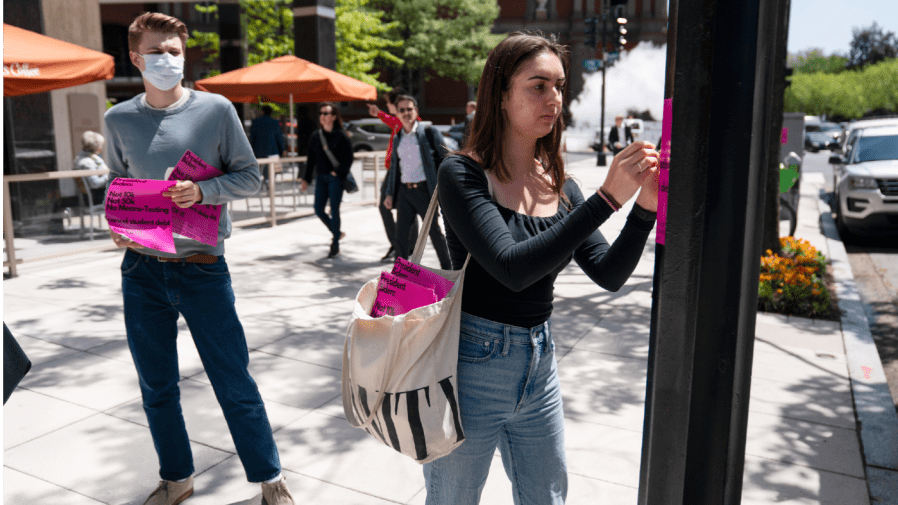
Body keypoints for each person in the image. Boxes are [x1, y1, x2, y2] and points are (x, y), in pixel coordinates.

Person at [429, 31, 659, 504]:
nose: (554, 99)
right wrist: (607, 199)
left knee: (547, 498)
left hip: (540, 363)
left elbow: (607, 273)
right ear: (501, 93)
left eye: (558, 85)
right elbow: (511, 269)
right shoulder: (463, 173)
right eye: (538, 85)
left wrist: (644, 209)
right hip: (473, 364)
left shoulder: (560, 183)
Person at [104, 12, 294, 505]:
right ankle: (177, 478)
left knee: (233, 380)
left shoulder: (215, 110)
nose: (167, 59)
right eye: (157, 52)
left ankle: (270, 477)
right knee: (157, 386)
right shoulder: (118, 119)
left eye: (174, 51)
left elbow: (249, 177)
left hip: (204, 268)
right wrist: (119, 224)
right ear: (135, 57)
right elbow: (116, 184)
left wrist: (204, 190)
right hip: (141, 271)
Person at [382, 95, 452, 270]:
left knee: (434, 232)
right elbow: (394, 170)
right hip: (404, 193)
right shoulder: (398, 137)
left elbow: (446, 160)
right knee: (400, 237)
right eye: (402, 110)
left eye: (409, 109)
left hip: (424, 191)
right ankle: (400, 277)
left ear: (416, 111)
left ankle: (449, 270)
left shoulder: (428, 132)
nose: (406, 113)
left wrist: (446, 189)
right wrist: (389, 193)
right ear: (397, 114)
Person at [367, 87, 418, 262]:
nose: (387, 105)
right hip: (395, 170)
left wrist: (379, 114)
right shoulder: (398, 121)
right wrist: (379, 114)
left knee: (401, 207)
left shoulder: (406, 121)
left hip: (402, 171)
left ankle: (406, 246)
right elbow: (392, 122)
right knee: (392, 206)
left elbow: (394, 122)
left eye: (388, 102)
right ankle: (403, 245)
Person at [301, 102, 353, 259]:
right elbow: (311, 160)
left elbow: (349, 158)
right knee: (318, 209)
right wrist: (306, 178)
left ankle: (335, 244)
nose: (322, 116)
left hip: (335, 179)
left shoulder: (342, 135)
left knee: (334, 210)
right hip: (321, 178)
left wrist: (338, 172)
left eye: (326, 113)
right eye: (321, 113)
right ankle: (337, 232)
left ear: (334, 116)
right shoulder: (316, 136)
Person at [249, 105, 286, 183]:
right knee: (272, 171)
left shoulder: (256, 122)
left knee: (261, 169)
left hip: (259, 150)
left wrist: (251, 150)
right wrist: (282, 149)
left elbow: (252, 138)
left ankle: (264, 184)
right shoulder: (275, 122)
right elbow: (279, 138)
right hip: (273, 150)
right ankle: (270, 184)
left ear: (262, 111)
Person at [72, 131, 110, 204]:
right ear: (97, 148)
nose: (101, 148)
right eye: (101, 145)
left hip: (94, 195)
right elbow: (96, 184)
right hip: (96, 197)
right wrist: (109, 175)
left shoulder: (82, 158)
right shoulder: (87, 163)